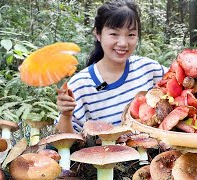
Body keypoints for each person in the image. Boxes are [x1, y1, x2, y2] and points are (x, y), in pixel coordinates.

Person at [56, 0, 167, 133]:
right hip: (100, 153)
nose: (123, 43)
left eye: (131, 35)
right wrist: (66, 115)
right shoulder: (80, 86)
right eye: (114, 34)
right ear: (98, 34)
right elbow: (63, 142)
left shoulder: (148, 69)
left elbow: (179, 86)